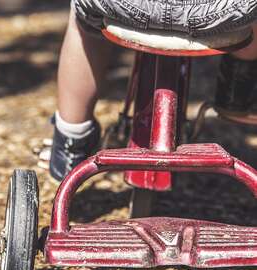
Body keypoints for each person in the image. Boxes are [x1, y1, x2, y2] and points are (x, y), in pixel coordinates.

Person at [49, 0, 257, 181]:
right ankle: (237, 96)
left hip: (126, 5)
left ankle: (72, 138)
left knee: (82, 20)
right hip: (221, 11)